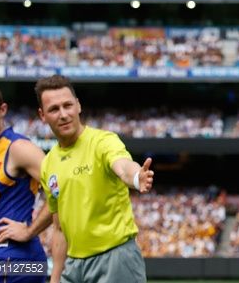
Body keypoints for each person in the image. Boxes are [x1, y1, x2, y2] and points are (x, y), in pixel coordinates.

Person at [34, 75, 154, 283]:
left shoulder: (103, 141)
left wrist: (136, 177)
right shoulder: (48, 163)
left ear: (78, 106)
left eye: (67, 105)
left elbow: (123, 166)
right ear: (42, 116)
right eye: (54, 109)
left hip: (115, 260)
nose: (63, 114)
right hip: (73, 266)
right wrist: (55, 279)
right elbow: (60, 229)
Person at [0, 83, 54, 283]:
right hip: (5, 257)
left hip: (14, 259)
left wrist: (30, 230)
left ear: (2, 110)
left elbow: (61, 188)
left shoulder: (18, 148)